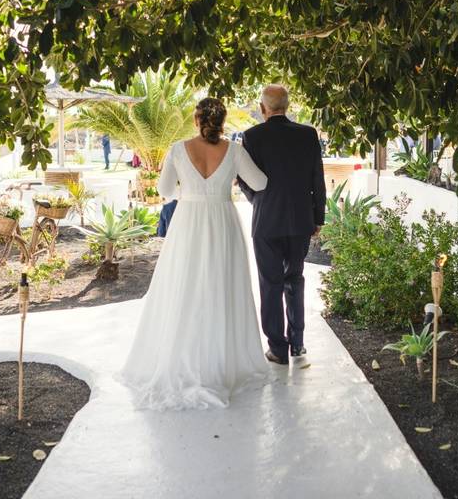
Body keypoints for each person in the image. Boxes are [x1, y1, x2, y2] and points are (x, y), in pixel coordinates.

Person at [121, 98, 269, 410]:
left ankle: (183, 355)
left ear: (195, 120)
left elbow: (165, 190)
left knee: (184, 288)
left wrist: (188, 194)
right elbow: (260, 182)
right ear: (222, 121)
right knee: (220, 288)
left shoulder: (177, 149)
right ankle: (218, 362)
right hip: (222, 223)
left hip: (188, 224)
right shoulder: (235, 150)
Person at [237, 85, 326, 365]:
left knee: (270, 283)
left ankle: (277, 348)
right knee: (295, 279)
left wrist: (259, 202)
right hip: (301, 219)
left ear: (263, 108)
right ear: (287, 106)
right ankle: (298, 344)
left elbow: (244, 179)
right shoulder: (308, 134)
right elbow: (317, 180)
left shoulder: (252, 136)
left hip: (266, 221)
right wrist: (318, 218)